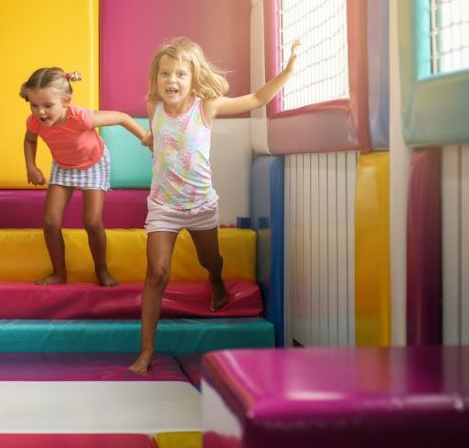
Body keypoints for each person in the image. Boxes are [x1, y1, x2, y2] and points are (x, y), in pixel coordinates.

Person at [129, 38, 300, 373]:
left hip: (200, 204)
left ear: (194, 80)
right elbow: (163, 142)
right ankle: (147, 350)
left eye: (180, 73)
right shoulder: (153, 108)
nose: (171, 80)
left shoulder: (206, 107)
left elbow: (256, 99)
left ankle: (217, 279)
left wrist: (288, 72)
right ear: (156, 78)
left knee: (210, 258)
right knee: (156, 273)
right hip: (163, 205)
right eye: (165, 73)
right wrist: (152, 140)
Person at [21, 67, 151, 286]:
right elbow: (29, 140)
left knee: (92, 222)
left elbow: (122, 117)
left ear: (66, 101)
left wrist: (147, 138)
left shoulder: (81, 117)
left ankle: (101, 270)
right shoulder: (34, 121)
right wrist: (31, 166)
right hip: (63, 166)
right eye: (34, 105)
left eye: (47, 105)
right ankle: (59, 273)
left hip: (93, 164)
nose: (40, 112)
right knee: (50, 222)